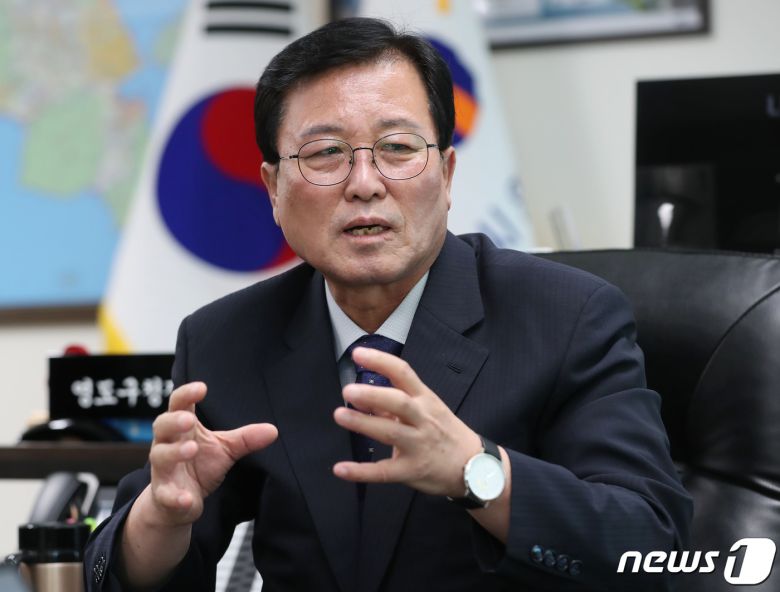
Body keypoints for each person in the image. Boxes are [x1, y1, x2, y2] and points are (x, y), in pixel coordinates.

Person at [84, 17, 691, 592]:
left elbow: (652, 548)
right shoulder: (226, 339)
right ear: (273, 189)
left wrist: (474, 470)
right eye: (325, 153)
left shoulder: (567, 317)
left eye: (397, 147)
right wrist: (160, 517)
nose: (365, 183)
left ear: (446, 175)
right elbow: (121, 571)